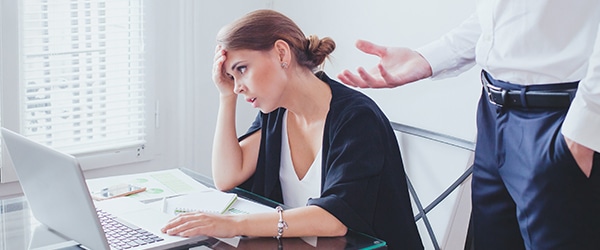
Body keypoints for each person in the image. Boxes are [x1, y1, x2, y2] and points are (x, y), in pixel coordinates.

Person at [338, 2, 600, 250]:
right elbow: (502, 14)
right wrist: (429, 58)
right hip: (492, 112)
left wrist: (584, 129)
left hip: (559, 119)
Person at [161, 9, 423, 249]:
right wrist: (225, 96)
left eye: (242, 69)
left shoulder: (357, 118)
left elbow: (335, 218)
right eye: (232, 77)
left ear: (281, 54)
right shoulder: (276, 112)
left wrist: (233, 224)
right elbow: (227, 176)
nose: (238, 86)